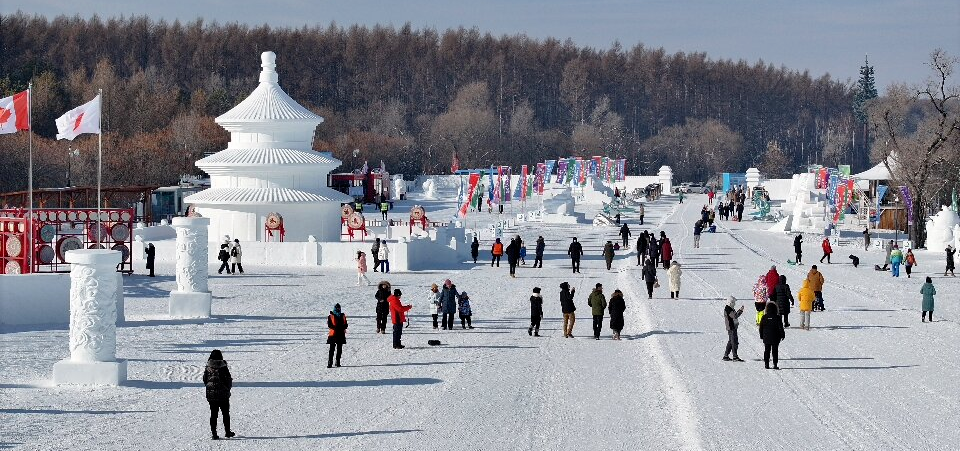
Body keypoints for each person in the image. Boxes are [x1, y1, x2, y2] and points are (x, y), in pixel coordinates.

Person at [203, 349, 234, 440]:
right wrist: (227, 389)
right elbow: (228, 379)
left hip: (211, 395)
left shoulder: (208, 366)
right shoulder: (223, 366)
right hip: (223, 394)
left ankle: (214, 434)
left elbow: (205, 380)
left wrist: (210, 387)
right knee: (225, 413)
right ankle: (227, 432)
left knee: (213, 414)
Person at [759, 302, 785, 370]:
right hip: (775, 337)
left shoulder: (764, 317)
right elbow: (780, 327)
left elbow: (761, 327)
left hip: (766, 337)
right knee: (775, 351)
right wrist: (782, 335)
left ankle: (766, 364)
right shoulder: (777, 317)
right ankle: (775, 364)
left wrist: (761, 335)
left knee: (767, 350)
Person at [722, 296, 745, 361]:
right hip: (731, 327)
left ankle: (726, 356)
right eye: (734, 302)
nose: (734, 303)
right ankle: (735, 356)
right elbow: (735, 316)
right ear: (731, 302)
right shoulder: (728, 309)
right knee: (734, 342)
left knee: (731, 341)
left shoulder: (730, 308)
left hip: (732, 327)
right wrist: (740, 310)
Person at [327, 303, 348, 368]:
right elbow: (330, 325)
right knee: (332, 349)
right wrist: (337, 328)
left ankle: (337, 362)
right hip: (333, 334)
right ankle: (330, 362)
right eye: (337, 308)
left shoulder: (342, 315)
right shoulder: (330, 316)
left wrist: (342, 327)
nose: (338, 309)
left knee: (339, 349)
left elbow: (346, 324)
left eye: (339, 308)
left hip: (341, 334)